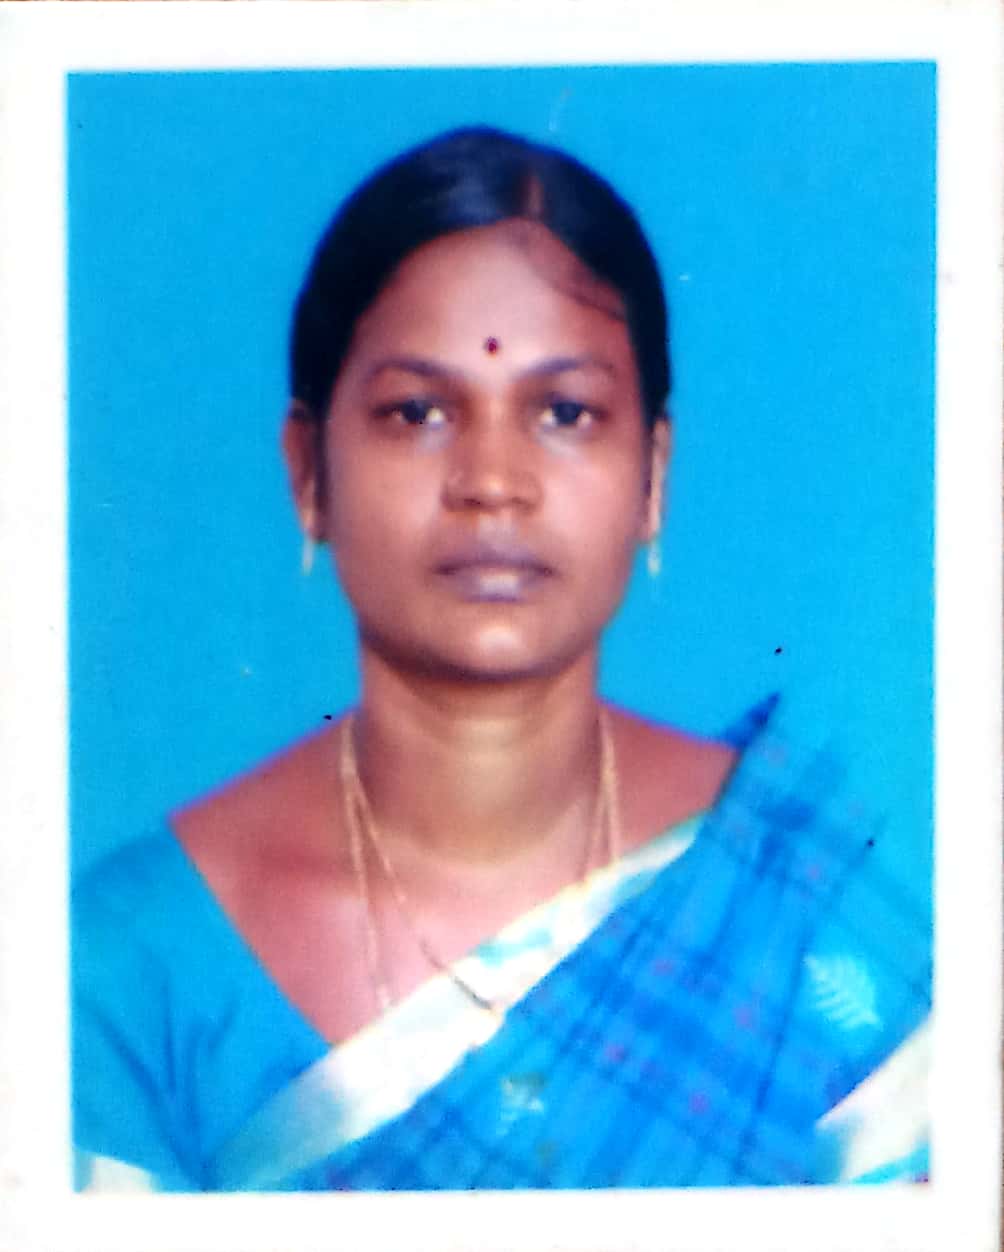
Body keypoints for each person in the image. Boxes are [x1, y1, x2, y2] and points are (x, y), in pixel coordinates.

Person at [72, 126, 930, 1192]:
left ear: (652, 475)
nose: (492, 481)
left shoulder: (796, 910)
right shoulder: (129, 969)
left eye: (564, 412)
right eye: (417, 412)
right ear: (308, 471)